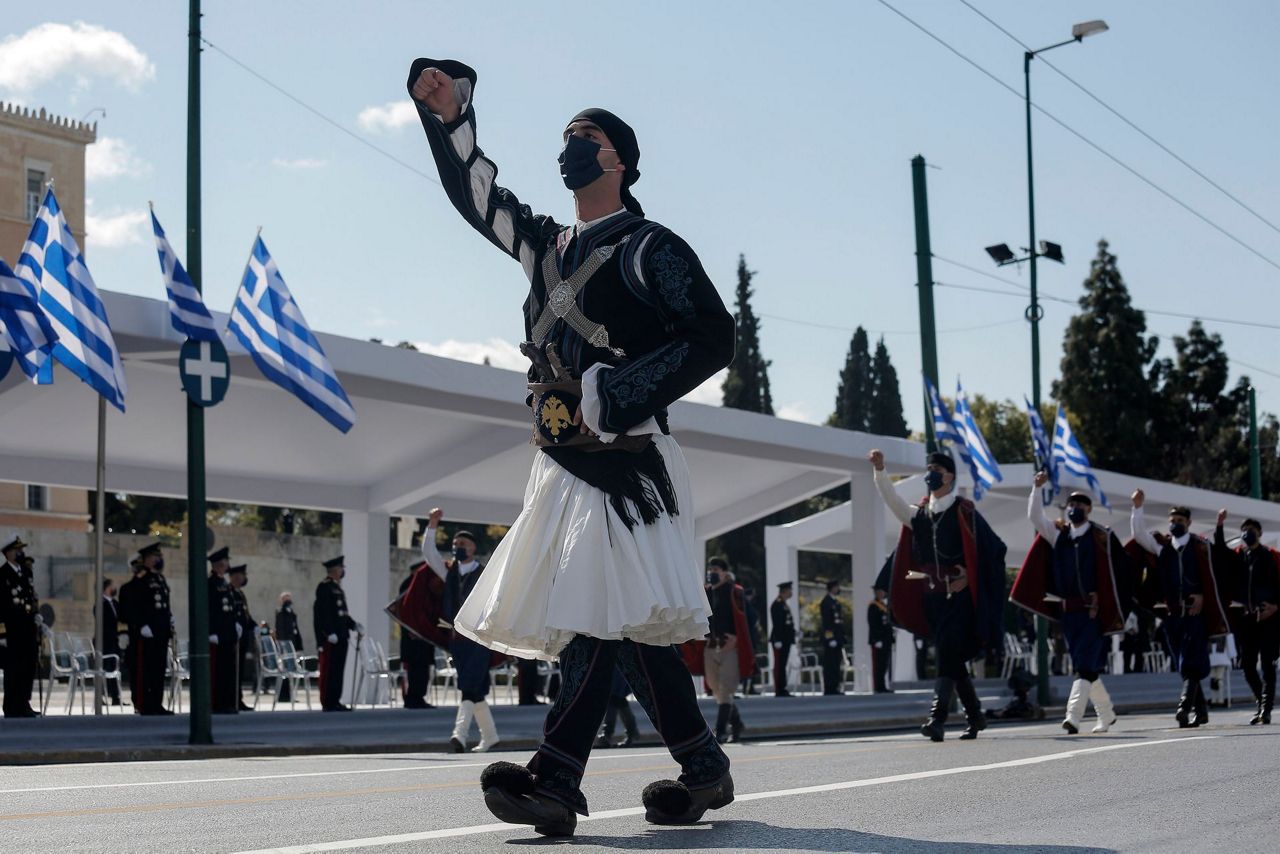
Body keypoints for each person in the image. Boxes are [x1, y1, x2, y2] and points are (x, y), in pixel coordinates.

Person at [408, 57, 736, 836]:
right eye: (565, 139)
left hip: (628, 466)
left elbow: (712, 337)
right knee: (624, 625)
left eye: (585, 139)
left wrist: (617, 395)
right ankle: (703, 767)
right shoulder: (546, 245)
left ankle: (555, 779)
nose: (570, 150)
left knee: (595, 617)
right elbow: (477, 197)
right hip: (558, 463)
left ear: (619, 158)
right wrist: (450, 118)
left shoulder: (651, 247)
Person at [869, 449, 1007, 741]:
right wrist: (880, 470)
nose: (930, 472)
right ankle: (975, 715)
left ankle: (937, 718)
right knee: (951, 656)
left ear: (949, 476)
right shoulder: (918, 515)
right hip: (931, 599)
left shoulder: (965, 512)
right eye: (928, 467)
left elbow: (994, 551)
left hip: (958, 599)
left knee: (947, 652)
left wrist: (970, 576)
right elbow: (891, 500)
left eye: (936, 468)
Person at [1012, 473, 1128, 734]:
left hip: (1092, 612)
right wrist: (1036, 488)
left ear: (1089, 509)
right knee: (1086, 667)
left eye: (1080, 504)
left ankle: (1072, 717)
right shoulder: (1059, 534)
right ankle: (1107, 714)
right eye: (1071, 505)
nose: (1075, 508)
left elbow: (1118, 571)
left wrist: (1105, 597)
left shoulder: (1101, 537)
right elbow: (1035, 517)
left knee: (1084, 666)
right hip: (1068, 612)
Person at [1129, 491, 1229, 727]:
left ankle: (1184, 706)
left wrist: (1204, 595)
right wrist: (1138, 507)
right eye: (1172, 521)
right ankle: (1201, 712)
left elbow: (1217, 573)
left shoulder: (1200, 547)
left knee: (1192, 660)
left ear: (1189, 523)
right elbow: (1139, 535)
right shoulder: (1162, 547)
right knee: (1182, 663)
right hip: (1173, 615)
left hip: (1195, 614)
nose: (1175, 525)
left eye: (1179, 521)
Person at [419, 520, 500, 750]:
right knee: (475, 688)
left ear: (473, 547)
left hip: (478, 638)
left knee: (468, 685)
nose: (457, 547)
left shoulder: (485, 574)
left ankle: (459, 736)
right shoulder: (449, 572)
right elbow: (429, 553)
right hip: (457, 639)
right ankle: (490, 736)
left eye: (462, 543)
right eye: (455, 544)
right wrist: (432, 525)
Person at [1213, 513, 1279, 724]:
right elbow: (1220, 550)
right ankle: (1261, 704)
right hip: (1246, 619)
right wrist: (1220, 525)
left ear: (1259, 533)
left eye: (1251, 529)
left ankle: (1266, 710)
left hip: (1268, 618)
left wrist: (1276, 606)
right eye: (1244, 529)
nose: (1247, 533)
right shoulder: (1239, 555)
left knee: (1268, 664)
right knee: (1247, 665)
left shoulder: (1270, 556)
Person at [701, 558, 753, 743]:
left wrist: (738, 640)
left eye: (716, 569)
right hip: (710, 647)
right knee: (716, 689)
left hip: (730, 647)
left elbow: (749, 619)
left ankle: (720, 731)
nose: (712, 572)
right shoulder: (705, 592)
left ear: (724, 572)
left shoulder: (735, 592)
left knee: (725, 690)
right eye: (710, 569)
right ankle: (737, 723)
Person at [117, 543, 173, 715]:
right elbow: (134, 606)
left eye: (159, 556)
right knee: (146, 669)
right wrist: (141, 625)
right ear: (146, 560)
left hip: (160, 630)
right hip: (146, 632)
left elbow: (163, 604)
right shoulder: (140, 580)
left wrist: (169, 619)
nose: (158, 560)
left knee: (158, 669)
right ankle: (145, 703)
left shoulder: (160, 579)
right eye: (154, 557)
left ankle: (157, 702)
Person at [313, 556, 361, 712]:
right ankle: (328, 701)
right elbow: (323, 614)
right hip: (332, 638)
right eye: (341, 568)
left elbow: (342, 614)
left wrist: (353, 625)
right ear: (334, 570)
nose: (343, 571)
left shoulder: (337, 588)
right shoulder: (324, 587)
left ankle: (336, 699)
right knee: (330, 670)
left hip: (342, 635)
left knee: (338, 670)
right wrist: (328, 633)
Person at [1, 535, 40, 717]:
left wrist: (36, 614)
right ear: (8, 553)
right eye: (17, 550)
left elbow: (31, 597)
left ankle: (24, 702)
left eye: (21, 550)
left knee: (28, 666)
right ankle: (11, 705)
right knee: (13, 668)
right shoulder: (2, 575)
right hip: (13, 629)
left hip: (28, 627)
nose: (20, 553)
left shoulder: (26, 572)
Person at [397, 563, 436, 710]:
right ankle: (411, 698)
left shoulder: (424, 586)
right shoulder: (408, 585)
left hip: (424, 636)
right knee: (413, 668)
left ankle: (419, 697)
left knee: (423, 668)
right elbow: (403, 610)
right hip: (412, 637)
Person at [207, 548, 240, 714]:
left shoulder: (224, 584)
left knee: (228, 670)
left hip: (228, 633)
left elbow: (230, 608)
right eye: (226, 561)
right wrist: (210, 631)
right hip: (217, 634)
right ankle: (218, 703)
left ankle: (228, 702)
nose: (228, 564)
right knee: (218, 671)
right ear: (219, 564)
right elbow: (209, 609)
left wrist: (236, 624)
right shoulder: (210, 583)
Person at [228, 564, 255, 711]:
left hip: (243, 637)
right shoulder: (230, 592)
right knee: (233, 671)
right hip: (234, 638)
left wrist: (254, 625)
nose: (243, 578)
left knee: (239, 671)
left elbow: (246, 616)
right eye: (241, 576)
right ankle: (233, 700)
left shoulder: (240, 594)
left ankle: (238, 699)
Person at [596, 667, 640, 748]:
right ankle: (631, 732)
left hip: (619, 664)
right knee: (617, 697)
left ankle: (607, 734)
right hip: (617, 664)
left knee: (615, 696)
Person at [98, 578, 124, 705]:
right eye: (113, 586)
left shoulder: (115, 604)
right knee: (104, 669)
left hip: (114, 641)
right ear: (107, 588)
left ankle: (116, 697)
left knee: (115, 668)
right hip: (104, 641)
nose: (115, 589)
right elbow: (104, 623)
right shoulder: (100, 604)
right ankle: (101, 696)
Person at [275, 591, 304, 701]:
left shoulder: (292, 614)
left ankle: (290, 695)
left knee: (291, 672)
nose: (288, 601)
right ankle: (283, 696)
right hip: (285, 647)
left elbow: (296, 631)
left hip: (293, 646)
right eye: (285, 599)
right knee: (286, 672)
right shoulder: (281, 613)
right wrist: (284, 647)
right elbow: (281, 631)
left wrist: (299, 646)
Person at [769, 581, 796, 697]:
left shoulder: (784, 604)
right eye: (790, 590)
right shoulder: (777, 604)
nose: (791, 592)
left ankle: (782, 687)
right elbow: (778, 624)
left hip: (786, 639)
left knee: (783, 664)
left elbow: (787, 623)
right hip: (780, 640)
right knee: (779, 665)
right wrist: (778, 639)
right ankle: (779, 689)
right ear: (784, 591)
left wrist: (794, 633)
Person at [820, 580, 847, 695]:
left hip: (838, 639)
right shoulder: (826, 602)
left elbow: (838, 623)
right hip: (831, 640)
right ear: (831, 588)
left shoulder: (835, 602)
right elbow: (827, 623)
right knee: (830, 664)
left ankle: (835, 686)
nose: (838, 589)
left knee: (836, 664)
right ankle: (829, 687)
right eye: (836, 587)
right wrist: (830, 638)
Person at [868, 585, 894, 693]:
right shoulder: (873, 606)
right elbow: (873, 624)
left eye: (882, 591)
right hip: (879, 640)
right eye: (880, 591)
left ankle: (883, 686)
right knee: (878, 665)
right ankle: (878, 686)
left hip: (886, 639)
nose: (882, 593)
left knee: (884, 664)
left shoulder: (884, 605)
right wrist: (876, 639)